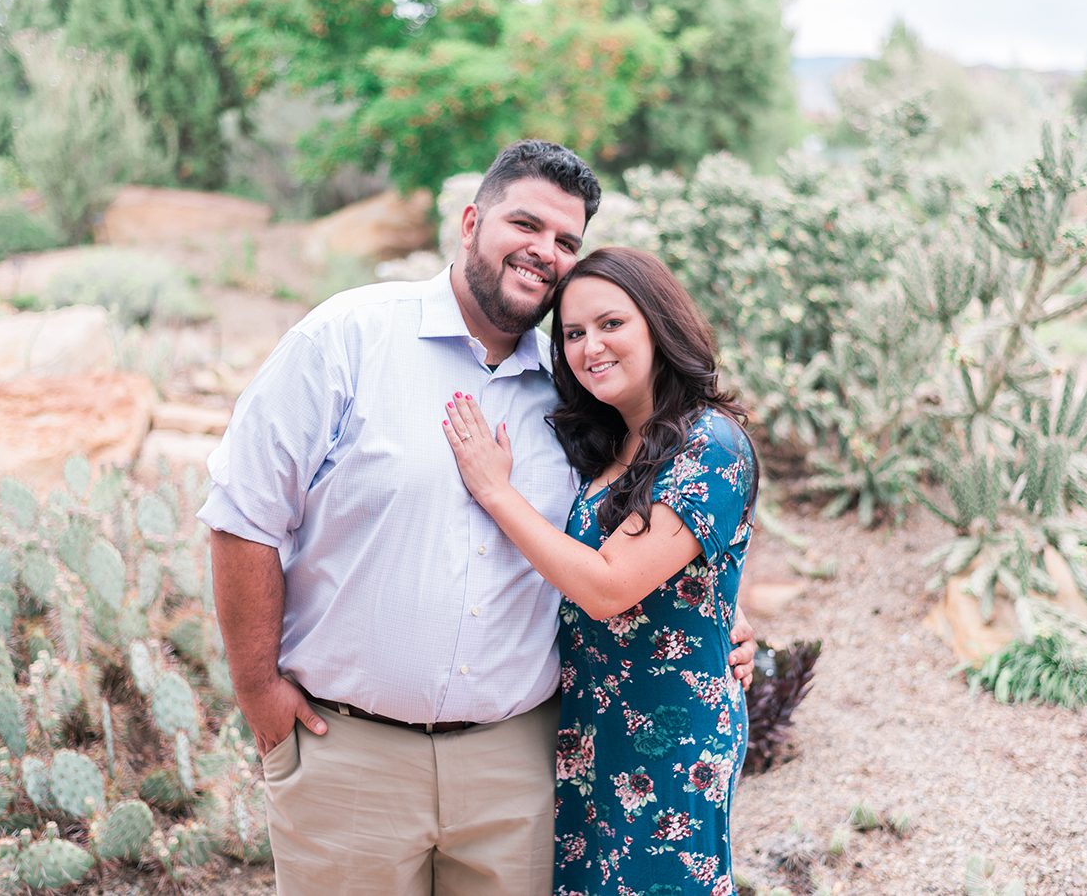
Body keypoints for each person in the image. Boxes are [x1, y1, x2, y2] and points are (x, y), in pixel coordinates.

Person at [197, 141, 756, 896]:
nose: (544, 251)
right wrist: (258, 690)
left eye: (566, 240)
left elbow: (641, 542)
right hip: (352, 755)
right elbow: (243, 514)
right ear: (470, 222)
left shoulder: (570, 396)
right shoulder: (347, 338)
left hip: (517, 767)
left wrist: (723, 619)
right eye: (525, 223)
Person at [442, 246, 758, 895]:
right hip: (591, 736)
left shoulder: (710, 440)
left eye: (612, 324)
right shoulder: (614, 444)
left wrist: (496, 491)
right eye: (574, 333)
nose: (591, 347)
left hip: (669, 745)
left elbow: (609, 586)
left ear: (658, 324)